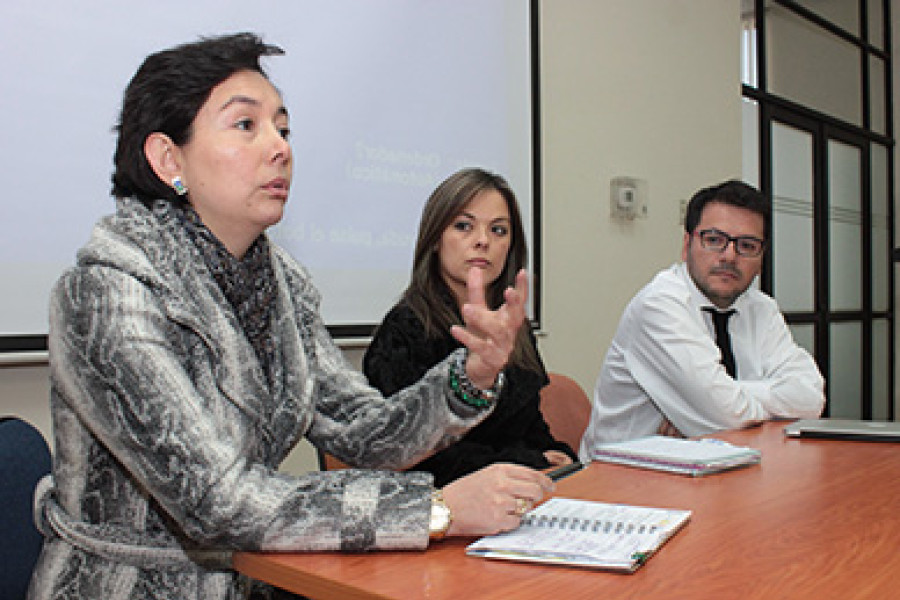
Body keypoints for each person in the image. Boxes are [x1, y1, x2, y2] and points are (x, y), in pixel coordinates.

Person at [28, 33, 554, 600]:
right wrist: (434, 509)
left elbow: (364, 432)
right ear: (168, 159)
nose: (278, 147)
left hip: (252, 578)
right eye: (245, 125)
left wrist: (471, 376)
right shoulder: (105, 294)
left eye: (283, 128)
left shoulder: (280, 285)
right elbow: (217, 501)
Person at [579, 179, 825, 458]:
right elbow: (724, 418)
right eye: (714, 240)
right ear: (687, 245)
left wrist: (728, 398)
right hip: (623, 474)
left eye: (747, 245)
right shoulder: (659, 304)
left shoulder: (761, 308)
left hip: (725, 463)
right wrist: (748, 405)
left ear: (761, 258)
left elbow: (811, 398)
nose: (729, 256)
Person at [363, 168, 577, 487]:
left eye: (498, 230)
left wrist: (557, 454)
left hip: (519, 494)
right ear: (435, 239)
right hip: (445, 504)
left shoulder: (510, 326)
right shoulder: (404, 329)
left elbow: (530, 428)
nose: (483, 241)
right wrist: (529, 462)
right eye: (464, 226)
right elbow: (420, 458)